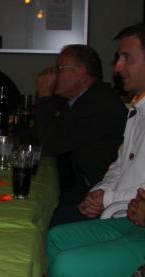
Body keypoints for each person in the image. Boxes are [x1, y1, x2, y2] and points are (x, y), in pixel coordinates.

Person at [43, 23, 145, 277]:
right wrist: (101, 191)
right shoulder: (138, 108)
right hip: (128, 217)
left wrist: (108, 198)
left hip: (136, 224)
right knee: (56, 239)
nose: (118, 67)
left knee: (69, 268)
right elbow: (120, 166)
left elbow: (51, 143)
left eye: (127, 58)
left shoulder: (108, 103)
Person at [36, 44, 128, 227]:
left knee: (42, 216)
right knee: (39, 199)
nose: (54, 74)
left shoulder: (99, 104)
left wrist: (45, 96)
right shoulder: (81, 101)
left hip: (105, 198)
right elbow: (50, 131)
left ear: (81, 72)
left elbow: (50, 145)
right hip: (86, 187)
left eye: (60, 68)